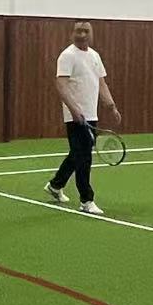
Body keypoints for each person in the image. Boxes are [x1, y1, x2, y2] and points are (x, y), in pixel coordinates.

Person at [45, 21, 121, 215]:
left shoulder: (94, 56)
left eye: (86, 31)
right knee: (84, 157)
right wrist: (74, 109)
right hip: (75, 116)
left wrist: (111, 105)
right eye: (78, 31)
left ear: (91, 34)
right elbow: (61, 85)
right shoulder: (67, 55)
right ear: (73, 33)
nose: (82, 34)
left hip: (91, 114)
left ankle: (55, 185)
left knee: (77, 153)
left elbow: (101, 83)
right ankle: (86, 200)